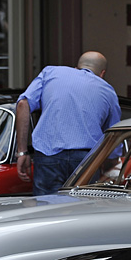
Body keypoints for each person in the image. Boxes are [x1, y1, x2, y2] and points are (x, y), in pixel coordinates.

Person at [15, 51, 120, 195]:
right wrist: (111, 164)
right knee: (82, 211)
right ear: (102, 73)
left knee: (46, 211)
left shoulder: (50, 72)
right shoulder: (108, 91)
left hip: (49, 156)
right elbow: (113, 135)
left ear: (77, 66)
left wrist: (22, 151)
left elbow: (22, 105)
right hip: (86, 161)